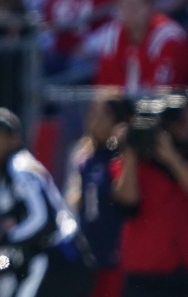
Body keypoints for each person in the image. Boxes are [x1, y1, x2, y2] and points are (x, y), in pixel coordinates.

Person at [0, 107, 94, 297]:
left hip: (60, 261)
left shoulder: (20, 168)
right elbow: (20, 248)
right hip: (56, 262)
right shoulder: (6, 178)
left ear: (14, 138)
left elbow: (44, 223)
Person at [110, 94, 188, 297]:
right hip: (145, 274)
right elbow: (126, 204)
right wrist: (130, 150)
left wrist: (171, 158)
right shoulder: (135, 163)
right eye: (175, 120)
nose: (183, 126)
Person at [66, 97, 131, 297]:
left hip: (118, 256)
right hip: (90, 256)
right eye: (92, 114)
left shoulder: (124, 157)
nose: (95, 120)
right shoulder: (85, 158)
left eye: (104, 114)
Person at [92, 0, 188, 91]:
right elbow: (104, 89)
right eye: (126, 4)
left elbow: (162, 95)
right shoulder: (112, 36)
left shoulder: (168, 37)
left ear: (151, 6)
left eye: (138, 4)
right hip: (126, 105)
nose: (132, 10)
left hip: (170, 105)